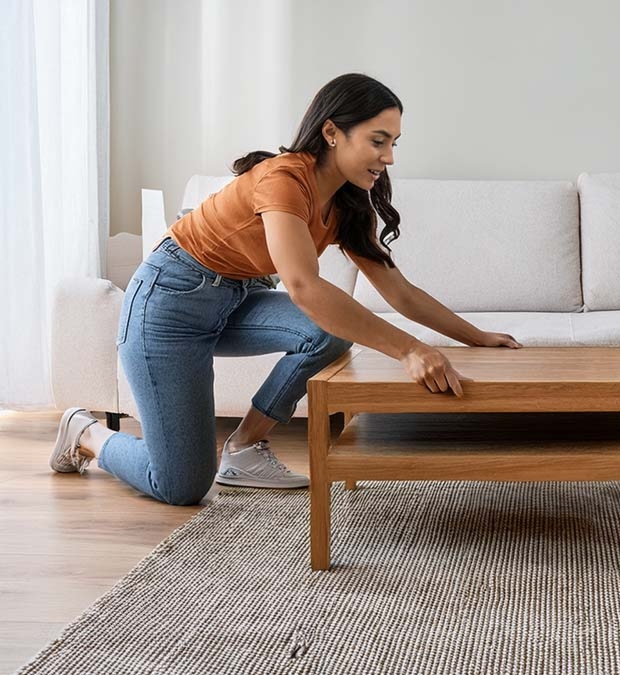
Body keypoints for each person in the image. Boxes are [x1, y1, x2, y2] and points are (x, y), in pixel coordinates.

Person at [49, 73, 521, 505]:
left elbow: (400, 291)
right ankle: (86, 433)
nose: (390, 157)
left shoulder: (344, 204)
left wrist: (474, 336)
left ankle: (245, 447)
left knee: (327, 334)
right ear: (332, 132)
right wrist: (409, 350)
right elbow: (302, 286)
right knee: (181, 486)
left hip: (234, 300)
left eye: (394, 143)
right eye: (379, 141)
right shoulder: (283, 178)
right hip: (168, 306)